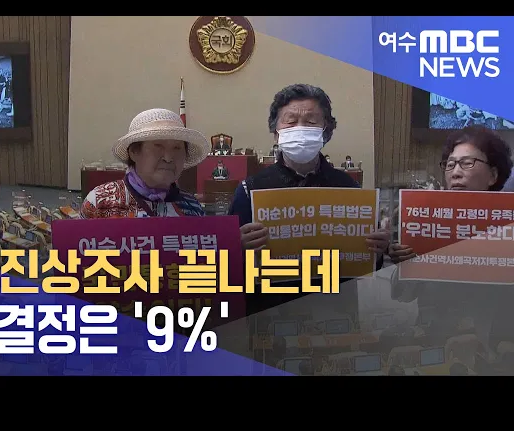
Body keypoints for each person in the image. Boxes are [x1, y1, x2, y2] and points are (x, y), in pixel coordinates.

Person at [228, 83, 390, 314]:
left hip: (334, 311)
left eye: (311, 121)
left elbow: (367, 263)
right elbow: (228, 264)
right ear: (276, 132)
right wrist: (236, 246)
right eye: (291, 121)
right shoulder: (250, 189)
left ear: (326, 131)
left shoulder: (349, 188)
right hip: (270, 312)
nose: (300, 128)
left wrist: (378, 250)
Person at [389, 126, 514, 350]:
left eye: (467, 163)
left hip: (493, 350)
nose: (455, 172)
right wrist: (406, 262)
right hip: (433, 347)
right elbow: (402, 295)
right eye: (450, 164)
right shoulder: (429, 223)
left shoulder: (508, 226)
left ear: (493, 175)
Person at [80, 108, 209, 219]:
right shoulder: (100, 202)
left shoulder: (192, 207)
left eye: (177, 148)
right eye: (158, 146)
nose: (168, 158)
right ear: (134, 152)